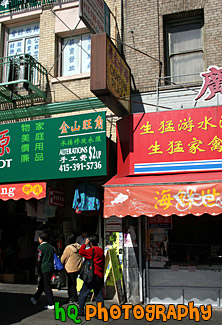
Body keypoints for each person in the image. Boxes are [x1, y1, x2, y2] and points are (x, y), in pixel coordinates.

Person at [78, 236, 105, 316]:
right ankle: (101, 312)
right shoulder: (101, 250)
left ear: (90, 243)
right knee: (98, 295)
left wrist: (84, 244)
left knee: (83, 293)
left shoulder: (92, 250)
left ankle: (81, 310)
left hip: (91, 275)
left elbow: (81, 252)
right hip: (99, 275)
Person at [30, 232, 55, 309]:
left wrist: (38, 269)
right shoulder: (51, 247)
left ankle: (51, 303)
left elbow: (38, 260)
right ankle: (35, 297)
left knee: (46, 285)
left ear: (41, 239)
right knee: (42, 284)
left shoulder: (40, 248)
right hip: (50, 267)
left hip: (43, 268)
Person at [61, 234, 82, 303]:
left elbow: (63, 258)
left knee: (71, 284)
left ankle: (74, 298)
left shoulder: (68, 248)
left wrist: (61, 264)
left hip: (70, 268)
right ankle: (71, 297)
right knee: (73, 283)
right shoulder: (79, 247)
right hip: (78, 267)